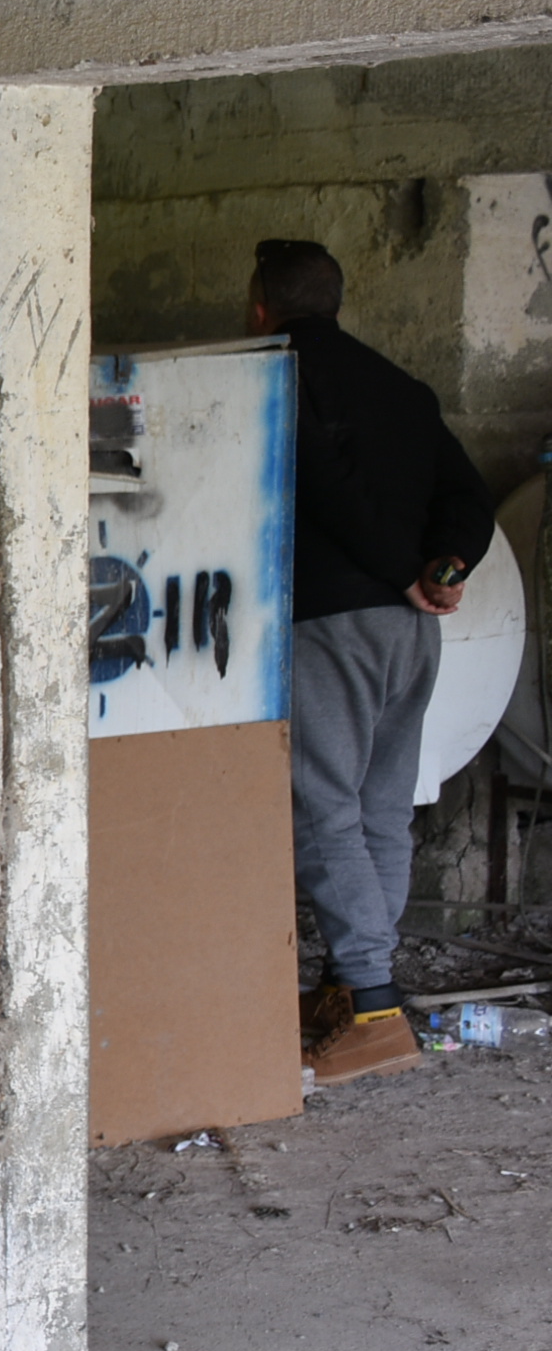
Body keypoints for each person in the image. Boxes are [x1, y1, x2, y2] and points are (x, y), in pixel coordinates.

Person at [249, 237, 494, 1084]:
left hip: (331, 623)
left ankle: (376, 1008)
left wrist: (400, 571)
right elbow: (469, 497)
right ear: (337, 301)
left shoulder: (276, 371)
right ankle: (353, 992)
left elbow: (327, 488)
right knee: (382, 809)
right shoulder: (404, 389)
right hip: (411, 630)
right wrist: (443, 570)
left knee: (324, 810)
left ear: (259, 306)